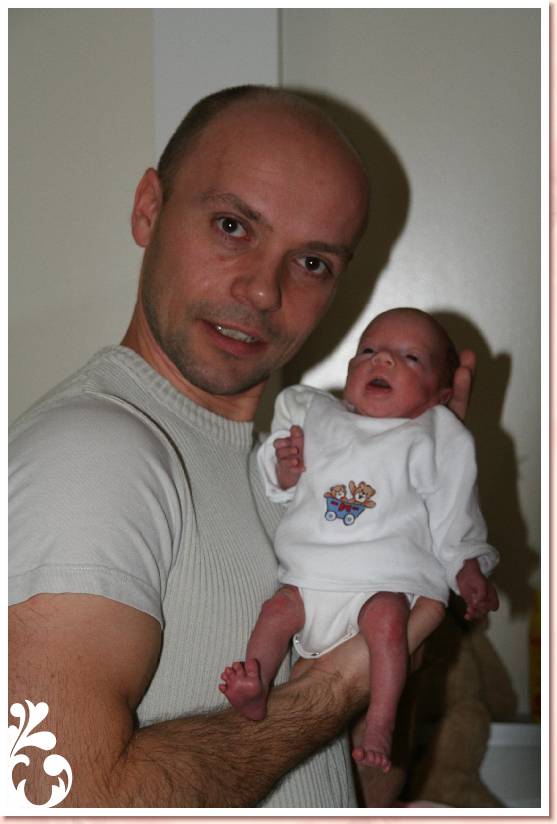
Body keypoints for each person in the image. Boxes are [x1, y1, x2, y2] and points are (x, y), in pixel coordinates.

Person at [9, 86, 475, 808]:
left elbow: (357, 789)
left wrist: (413, 537)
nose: (262, 291)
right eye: (233, 226)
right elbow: (54, 803)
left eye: (312, 262)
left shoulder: (290, 475)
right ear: (149, 209)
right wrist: (330, 691)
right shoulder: (93, 456)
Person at [220, 308, 499, 773]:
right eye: (368, 350)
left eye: (410, 358)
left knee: (388, 624)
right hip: (311, 577)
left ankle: (380, 722)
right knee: (276, 611)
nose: (382, 360)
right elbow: (278, 478)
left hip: (384, 582)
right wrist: (285, 468)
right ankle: (257, 684)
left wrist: (468, 566)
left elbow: (456, 512)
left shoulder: (431, 437)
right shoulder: (318, 415)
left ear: (441, 396)